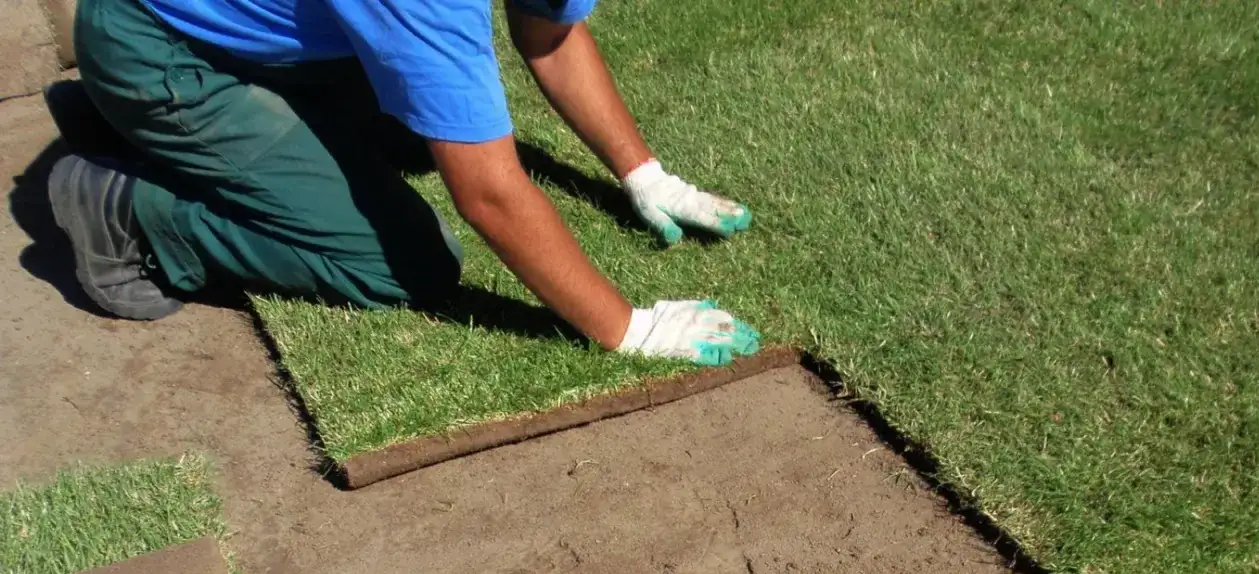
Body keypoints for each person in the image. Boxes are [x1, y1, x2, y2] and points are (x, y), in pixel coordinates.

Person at [46, 0, 762, 366]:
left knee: (411, 130)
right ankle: (129, 211)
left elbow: (549, 32)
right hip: (161, 50)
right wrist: (630, 329)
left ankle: (130, 123)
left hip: (242, 37)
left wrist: (645, 174)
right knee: (408, 263)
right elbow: (488, 194)